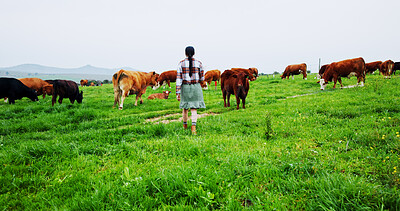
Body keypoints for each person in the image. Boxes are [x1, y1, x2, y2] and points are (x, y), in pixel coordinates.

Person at [176, 46, 206, 134]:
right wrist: (199, 80)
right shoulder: (199, 63)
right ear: (194, 53)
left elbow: (178, 79)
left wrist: (178, 92)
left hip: (185, 87)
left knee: (185, 108)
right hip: (196, 87)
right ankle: (193, 128)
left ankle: (184, 126)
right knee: (194, 108)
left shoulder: (181, 64)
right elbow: (202, 77)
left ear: (185, 53)